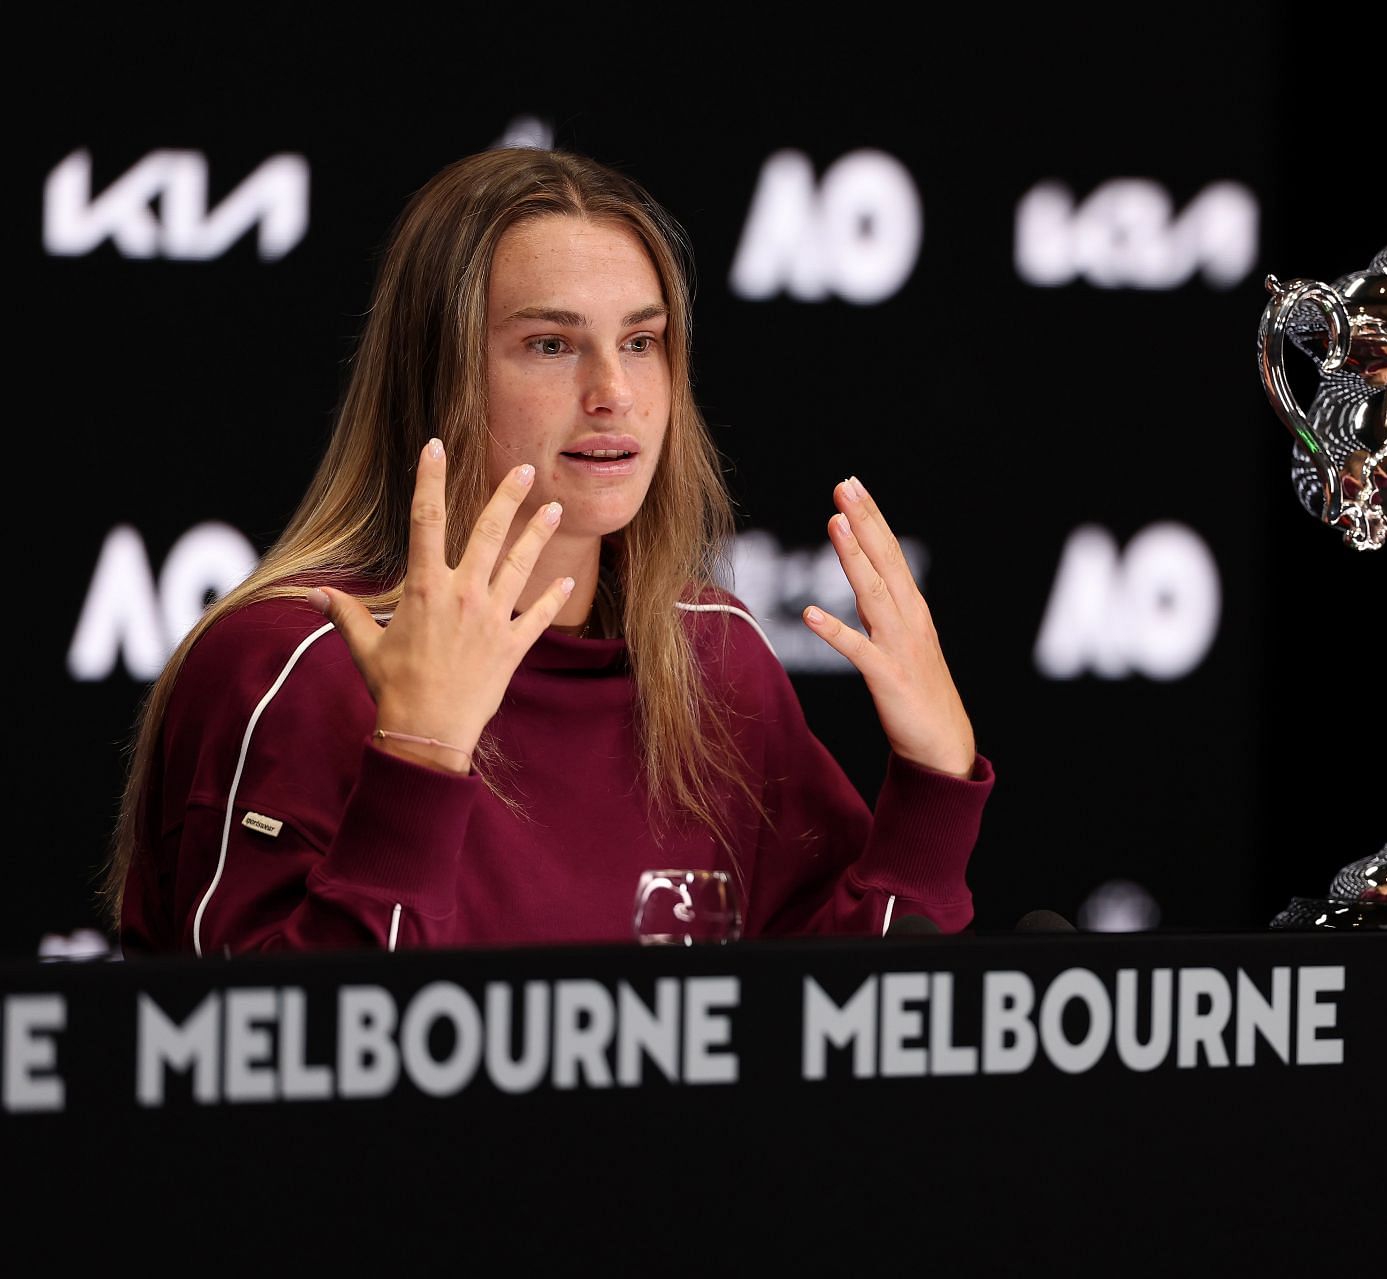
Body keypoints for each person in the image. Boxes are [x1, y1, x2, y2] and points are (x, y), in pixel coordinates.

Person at [106, 147, 991, 954]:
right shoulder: (290, 664)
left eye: (641, 342)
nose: (614, 393)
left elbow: (833, 1041)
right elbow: (263, 1077)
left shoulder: (715, 659)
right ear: (438, 374)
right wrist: (417, 762)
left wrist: (935, 787)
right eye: (551, 343)